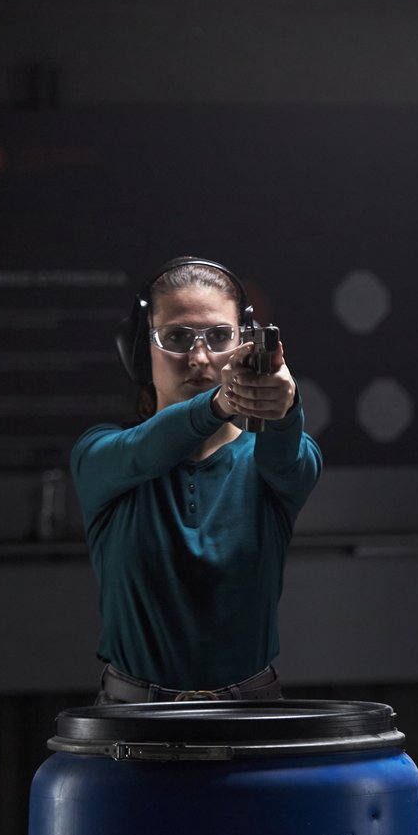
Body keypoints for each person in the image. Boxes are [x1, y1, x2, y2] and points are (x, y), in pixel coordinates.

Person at [72, 257, 322, 703]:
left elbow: (287, 458)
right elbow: (140, 452)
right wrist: (218, 405)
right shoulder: (100, 454)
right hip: (132, 718)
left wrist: (284, 407)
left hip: (251, 712)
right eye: (176, 338)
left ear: (243, 342)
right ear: (139, 350)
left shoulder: (270, 459)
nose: (200, 357)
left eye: (220, 336)